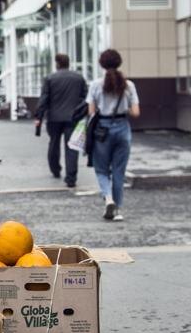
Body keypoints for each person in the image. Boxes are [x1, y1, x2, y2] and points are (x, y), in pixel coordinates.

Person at [87, 49, 140, 221]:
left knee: (101, 169)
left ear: (101, 64)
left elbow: (91, 111)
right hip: (123, 128)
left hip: (102, 129)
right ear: (119, 62)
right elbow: (136, 112)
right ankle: (117, 209)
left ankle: (108, 198)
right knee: (119, 170)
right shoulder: (129, 85)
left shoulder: (96, 85)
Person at [34, 53, 87, 188]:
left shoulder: (50, 78)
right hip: (73, 118)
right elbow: (84, 98)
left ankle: (55, 169)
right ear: (68, 63)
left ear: (57, 63)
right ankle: (71, 178)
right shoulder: (78, 78)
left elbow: (44, 99)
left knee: (53, 144)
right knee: (71, 147)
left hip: (54, 118)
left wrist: (38, 117)